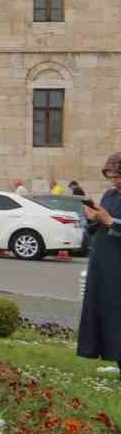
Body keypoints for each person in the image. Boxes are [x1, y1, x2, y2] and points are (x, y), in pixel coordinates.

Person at [78, 154, 121, 375]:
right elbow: (97, 228)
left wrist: (110, 221)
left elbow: (111, 223)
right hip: (103, 262)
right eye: (111, 177)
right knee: (106, 311)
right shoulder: (110, 195)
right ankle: (115, 358)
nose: (115, 181)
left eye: (118, 176)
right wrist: (93, 218)